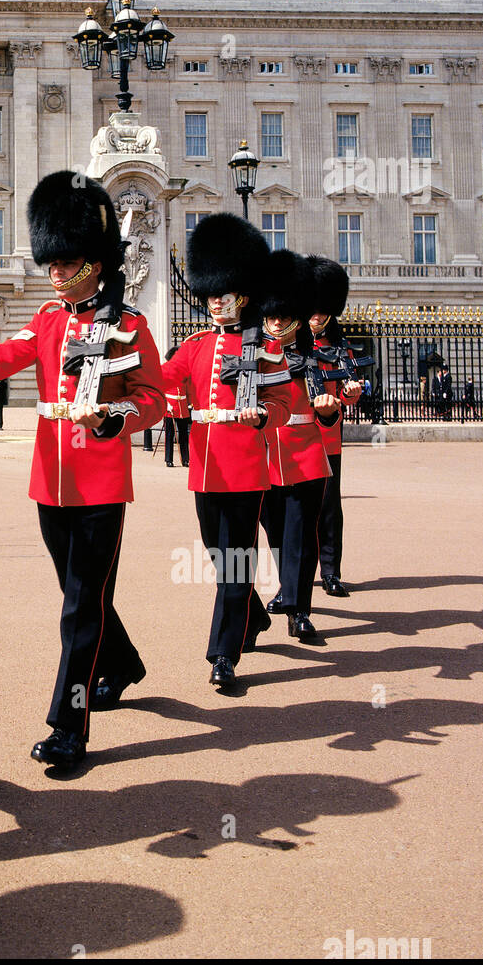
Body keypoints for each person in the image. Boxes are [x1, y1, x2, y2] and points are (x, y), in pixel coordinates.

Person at [0, 172, 164, 773]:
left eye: (67, 263)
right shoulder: (48, 319)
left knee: (79, 609)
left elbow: (153, 401)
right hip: (49, 479)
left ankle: (70, 726)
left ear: (95, 262)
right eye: (53, 264)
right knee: (78, 595)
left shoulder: (131, 325)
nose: (57, 273)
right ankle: (122, 663)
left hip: (100, 484)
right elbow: (10, 352)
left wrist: (114, 415)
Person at [162, 214, 294, 690]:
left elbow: (281, 402)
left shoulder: (265, 348)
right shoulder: (195, 345)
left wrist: (262, 416)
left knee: (236, 562)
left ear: (242, 293)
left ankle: (223, 654)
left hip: (245, 470)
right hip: (204, 470)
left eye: (223, 293)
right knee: (222, 558)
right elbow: (161, 379)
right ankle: (252, 616)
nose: (215, 301)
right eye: (211, 294)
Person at [257, 251, 337, 644]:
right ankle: (288, 590)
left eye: (282, 317)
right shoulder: (252, 355)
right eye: (271, 316)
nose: (275, 323)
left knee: (302, 539)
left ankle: (300, 611)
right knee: (276, 534)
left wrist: (326, 410)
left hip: (304, 456)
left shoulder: (312, 356)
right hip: (263, 458)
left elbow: (326, 409)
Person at [305, 257, 364, 598]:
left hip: (327, 436)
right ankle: (294, 573)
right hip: (291, 438)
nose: (315, 318)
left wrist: (351, 393)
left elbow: (349, 387)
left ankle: (330, 571)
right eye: (311, 311)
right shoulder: (286, 346)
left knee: (328, 507)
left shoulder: (338, 349)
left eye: (320, 312)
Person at [163, 345, 191, 468]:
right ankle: (168, 459)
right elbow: (160, 388)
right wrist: (166, 404)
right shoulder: (164, 368)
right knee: (169, 435)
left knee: (184, 435)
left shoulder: (185, 372)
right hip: (170, 406)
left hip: (183, 407)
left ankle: (185, 459)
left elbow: (189, 389)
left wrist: (191, 403)